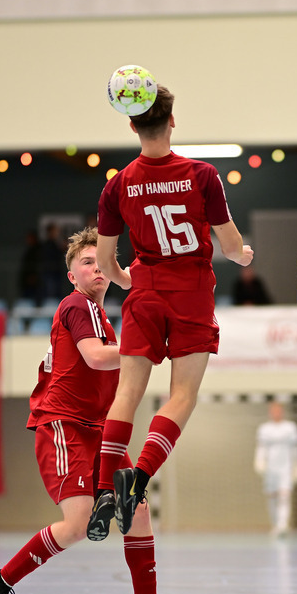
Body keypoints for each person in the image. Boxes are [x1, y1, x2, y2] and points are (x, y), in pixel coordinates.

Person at [0, 228, 185, 594]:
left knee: (138, 511)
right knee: (75, 524)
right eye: (86, 262)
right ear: (72, 275)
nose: (95, 268)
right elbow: (94, 359)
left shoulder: (104, 318)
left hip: (100, 430)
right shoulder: (78, 305)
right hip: (65, 425)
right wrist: (148, 348)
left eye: (100, 261)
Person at [93, 81, 254, 537]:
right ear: (172, 120)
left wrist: (134, 282)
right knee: (181, 395)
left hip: (144, 291)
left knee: (127, 393)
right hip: (192, 291)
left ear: (131, 124)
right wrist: (243, 255)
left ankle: (105, 487)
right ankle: (137, 480)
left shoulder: (118, 184)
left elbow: (106, 262)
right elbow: (230, 245)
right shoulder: (202, 175)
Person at [254, 401, 297, 537]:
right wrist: (259, 462)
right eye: (273, 410)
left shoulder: (290, 428)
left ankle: (283, 525)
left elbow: (296, 448)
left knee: (284, 495)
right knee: (272, 495)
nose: (276, 413)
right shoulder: (264, 429)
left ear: (282, 411)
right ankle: (275, 524)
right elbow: (261, 448)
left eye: (278, 410)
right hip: (270, 467)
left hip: (286, 466)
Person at [18, 229, 43, 301]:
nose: (28, 240)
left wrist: (34, 276)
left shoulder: (38, 250)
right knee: (26, 300)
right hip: (25, 282)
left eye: (30, 238)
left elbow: (37, 265)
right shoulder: (28, 250)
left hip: (35, 282)